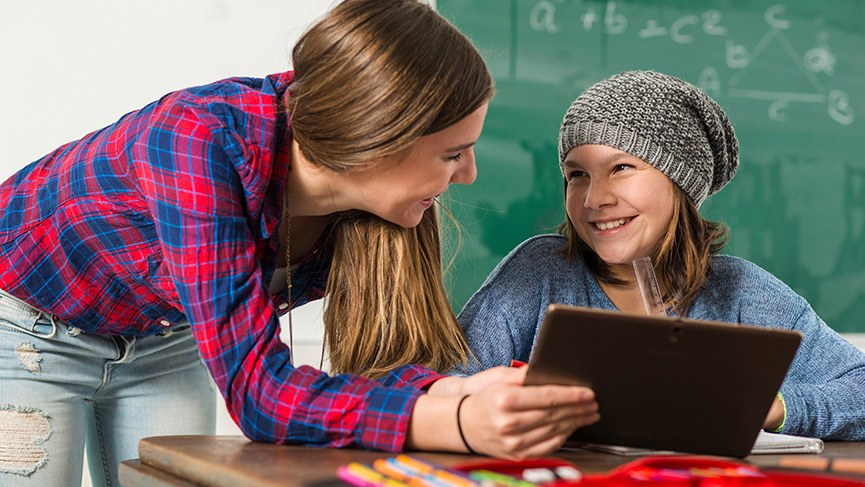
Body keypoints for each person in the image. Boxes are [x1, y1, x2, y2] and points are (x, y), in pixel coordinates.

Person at [0, 1, 600, 485]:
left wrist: (459, 391)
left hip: (164, 337)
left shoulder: (383, 207)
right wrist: (457, 418)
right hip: (27, 332)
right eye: (452, 153)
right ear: (375, 140)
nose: (467, 174)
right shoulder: (192, 142)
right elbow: (262, 397)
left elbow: (380, 373)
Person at [457, 70, 865, 441]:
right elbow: (440, 384)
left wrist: (772, 406)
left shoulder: (744, 293)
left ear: (680, 182)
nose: (595, 198)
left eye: (621, 168)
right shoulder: (539, 274)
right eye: (576, 174)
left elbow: (858, 386)